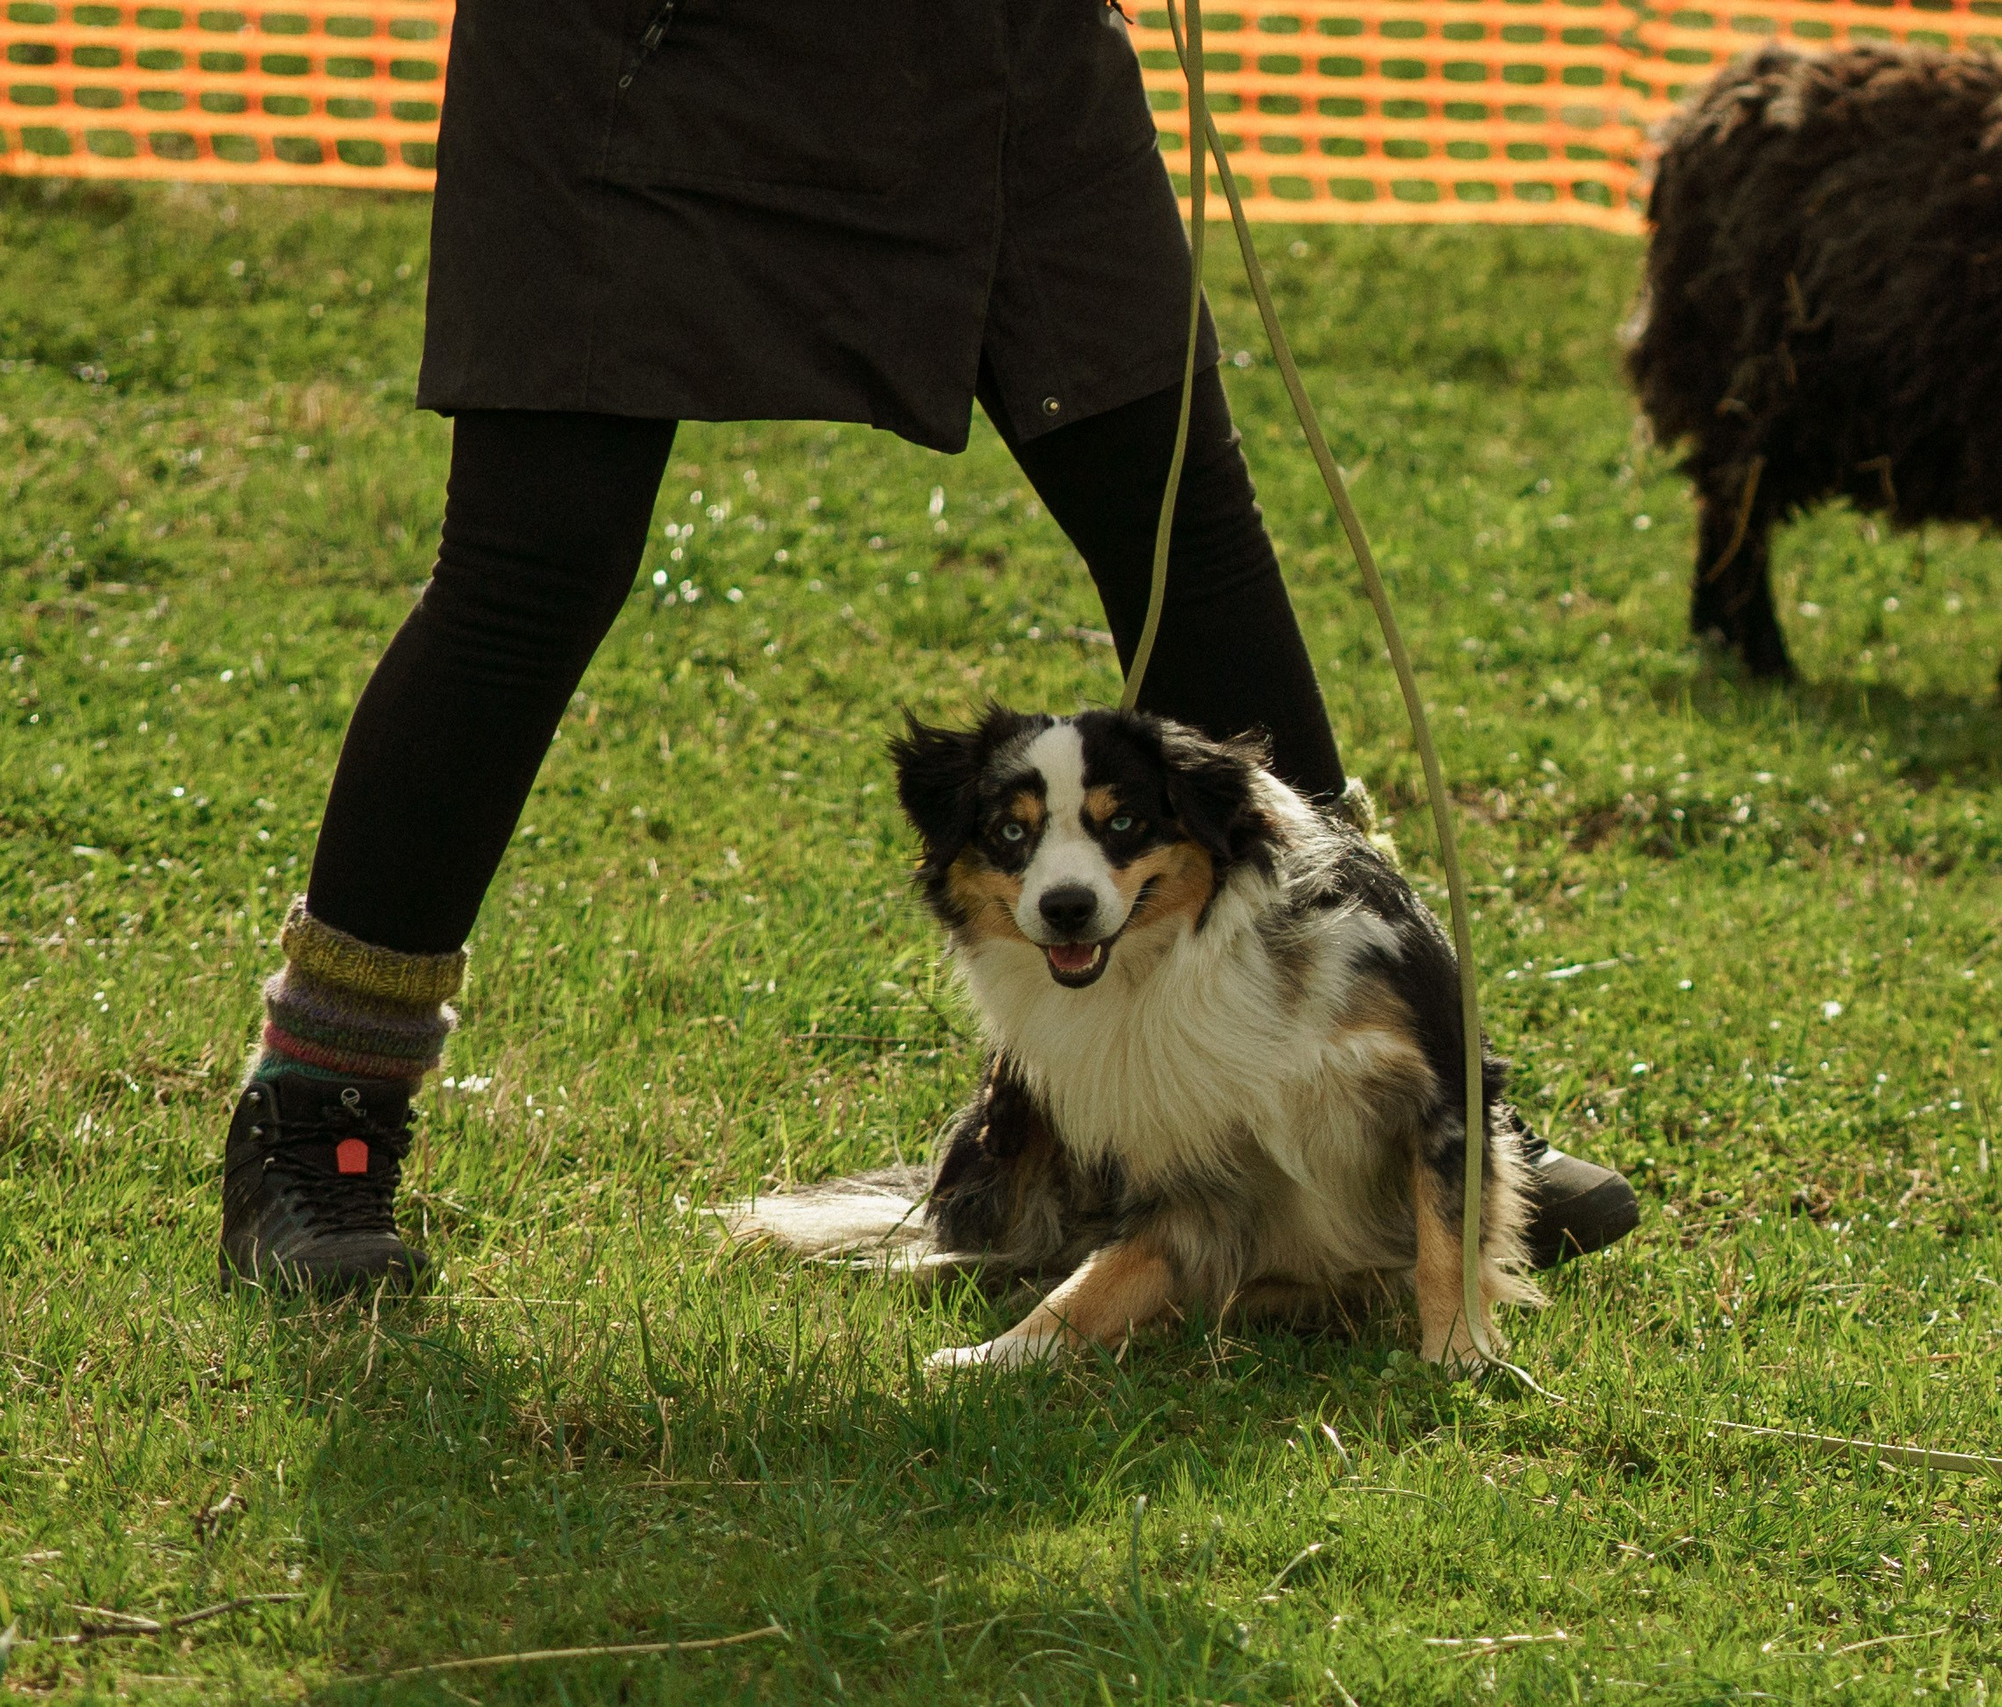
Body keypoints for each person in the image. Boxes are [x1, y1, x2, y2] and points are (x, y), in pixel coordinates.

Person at [217, 0, 1639, 1291]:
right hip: (634, 50)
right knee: (535, 568)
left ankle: (1419, 1097)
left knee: (1180, 534)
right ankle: (318, 1123)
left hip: (993, 50)